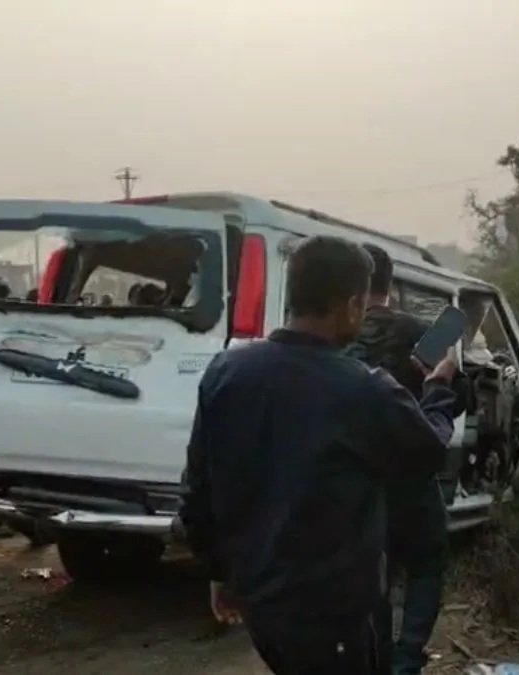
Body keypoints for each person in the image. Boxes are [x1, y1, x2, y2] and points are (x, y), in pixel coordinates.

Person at [179, 236, 459, 674]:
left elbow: (198, 489)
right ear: (352, 304)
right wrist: (438, 387)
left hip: (262, 606)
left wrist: (218, 572)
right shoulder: (362, 388)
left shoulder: (227, 371)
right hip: (331, 617)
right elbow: (428, 450)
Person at [351, 244, 453, 675]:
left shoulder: (336, 338)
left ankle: (378, 658)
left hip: (357, 478)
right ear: (389, 284)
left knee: (373, 567)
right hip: (413, 470)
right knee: (427, 564)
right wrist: (440, 378)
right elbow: (458, 396)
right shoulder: (424, 333)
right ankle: (408, 658)